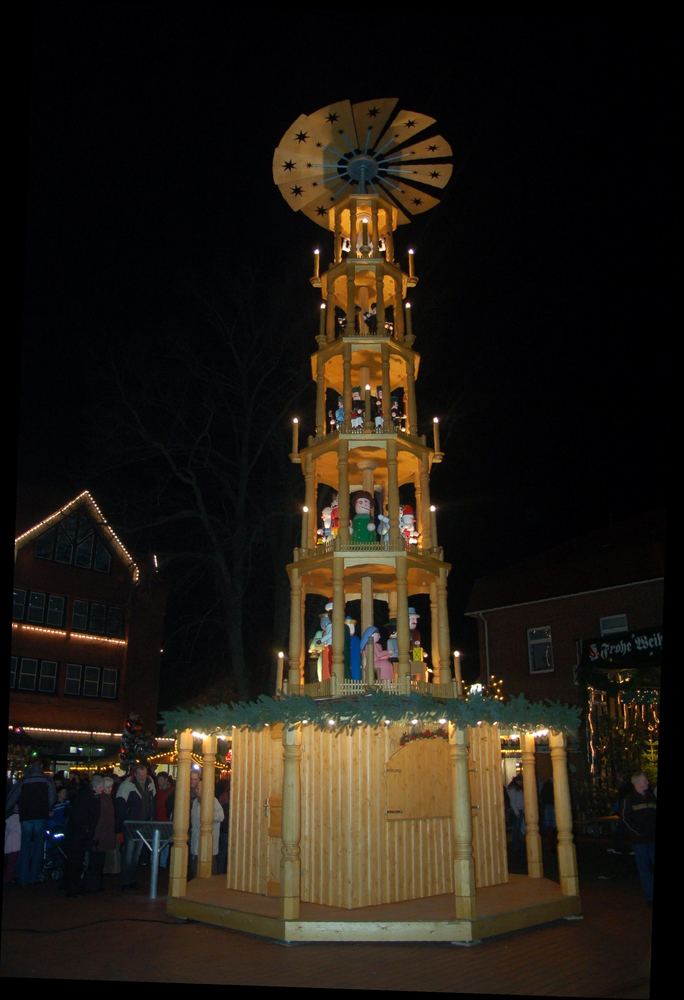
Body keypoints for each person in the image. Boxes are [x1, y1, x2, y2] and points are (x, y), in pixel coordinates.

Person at [6, 759, 57, 886]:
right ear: (40, 767)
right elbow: (52, 798)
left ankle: (23, 876)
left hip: (26, 816)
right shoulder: (47, 780)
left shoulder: (24, 780)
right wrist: (47, 808)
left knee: (25, 846)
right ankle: (34, 876)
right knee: (38, 847)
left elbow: (13, 797)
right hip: (40, 815)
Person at [116, 763, 156, 890]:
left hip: (142, 823)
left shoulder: (149, 785)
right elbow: (120, 806)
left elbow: (151, 802)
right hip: (131, 824)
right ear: (135, 774)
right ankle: (125, 880)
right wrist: (124, 822)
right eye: (140, 775)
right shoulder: (127, 786)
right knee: (129, 853)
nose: (142, 777)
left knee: (135, 854)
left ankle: (130, 879)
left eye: (144, 775)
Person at [621, 771, 656, 904]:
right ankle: (650, 897)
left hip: (652, 838)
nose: (647, 782)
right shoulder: (629, 799)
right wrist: (637, 832)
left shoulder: (651, 797)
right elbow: (625, 818)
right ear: (638, 782)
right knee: (644, 869)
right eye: (645, 780)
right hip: (640, 841)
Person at [83, 774, 116, 892]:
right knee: (96, 861)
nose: (110, 790)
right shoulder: (103, 800)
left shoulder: (104, 799)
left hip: (102, 834)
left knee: (98, 861)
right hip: (101, 835)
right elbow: (100, 819)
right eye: (108, 787)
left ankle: (95, 884)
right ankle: (93, 885)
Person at [189, 780, 224, 877]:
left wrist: (208, 816)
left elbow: (221, 816)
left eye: (198, 788)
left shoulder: (213, 801)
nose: (196, 790)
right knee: (195, 869)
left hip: (209, 843)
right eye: (196, 788)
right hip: (196, 842)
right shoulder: (195, 802)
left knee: (210, 870)